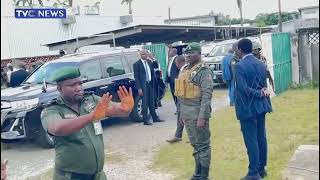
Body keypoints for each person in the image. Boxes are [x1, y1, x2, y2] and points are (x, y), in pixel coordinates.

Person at [41, 67, 134, 180]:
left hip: (98, 176)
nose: (78, 88)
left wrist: (125, 108)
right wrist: (91, 116)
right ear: (60, 89)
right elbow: (57, 128)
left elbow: (117, 110)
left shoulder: (91, 100)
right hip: (71, 177)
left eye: (80, 84)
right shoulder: (52, 110)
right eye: (72, 85)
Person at [234, 38, 272, 180]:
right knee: (261, 138)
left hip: (248, 107)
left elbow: (243, 89)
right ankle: (261, 169)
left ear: (240, 50)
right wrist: (261, 92)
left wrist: (259, 93)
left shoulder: (239, 66)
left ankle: (253, 173)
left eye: (237, 49)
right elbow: (263, 85)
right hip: (261, 106)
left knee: (252, 140)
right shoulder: (261, 63)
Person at [175, 42, 214, 180]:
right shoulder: (185, 69)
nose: (188, 55)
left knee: (203, 146)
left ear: (199, 53)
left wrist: (202, 117)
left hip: (198, 115)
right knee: (195, 145)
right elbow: (181, 96)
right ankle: (197, 174)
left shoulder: (204, 71)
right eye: (187, 53)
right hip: (187, 115)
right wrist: (180, 115)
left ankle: (204, 176)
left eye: (192, 53)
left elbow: (207, 96)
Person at [133, 50, 163, 125]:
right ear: (140, 55)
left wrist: (153, 58)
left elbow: (156, 66)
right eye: (143, 54)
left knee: (151, 101)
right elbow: (136, 77)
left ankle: (155, 118)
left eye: (145, 54)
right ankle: (145, 120)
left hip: (150, 84)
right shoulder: (136, 64)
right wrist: (139, 88)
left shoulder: (149, 62)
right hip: (143, 85)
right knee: (145, 103)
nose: (144, 56)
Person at [166, 55, 186, 143]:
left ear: (180, 62)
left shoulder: (186, 70)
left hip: (185, 97)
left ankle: (192, 136)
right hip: (180, 97)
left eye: (176, 63)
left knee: (187, 117)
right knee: (179, 116)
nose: (175, 65)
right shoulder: (181, 70)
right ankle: (178, 135)